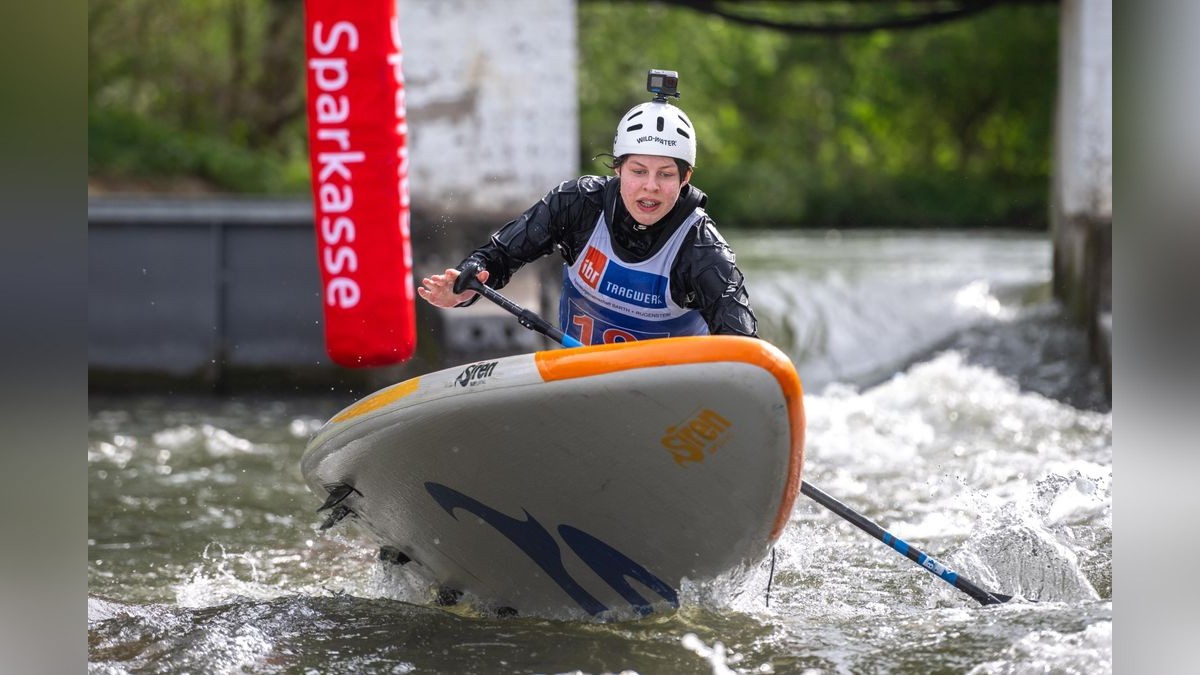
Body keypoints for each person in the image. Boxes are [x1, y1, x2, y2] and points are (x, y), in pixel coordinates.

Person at [418, 75, 758, 345]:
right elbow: (498, 258)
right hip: (580, 383)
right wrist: (463, 288)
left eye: (666, 175)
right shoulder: (577, 205)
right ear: (618, 169)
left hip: (669, 403)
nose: (650, 186)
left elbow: (745, 347)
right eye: (638, 171)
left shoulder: (702, 249)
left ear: (686, 178)